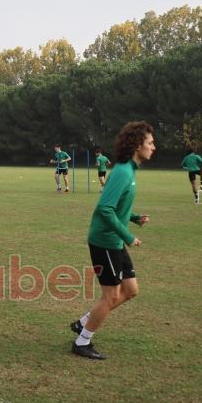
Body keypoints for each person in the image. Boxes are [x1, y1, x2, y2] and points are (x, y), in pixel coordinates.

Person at [70, 121, 155, 360]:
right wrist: (128, 236)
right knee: (111, 296)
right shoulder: (122, 172)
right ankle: (82, 341)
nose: (153, 147)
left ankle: (84, 322)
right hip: (105, 242)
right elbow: (105, 209)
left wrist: (134, 217)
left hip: (114, 241)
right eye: (150, 143)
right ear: (137, 145)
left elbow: (117, 206)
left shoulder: (129, 170)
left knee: (131, 290)